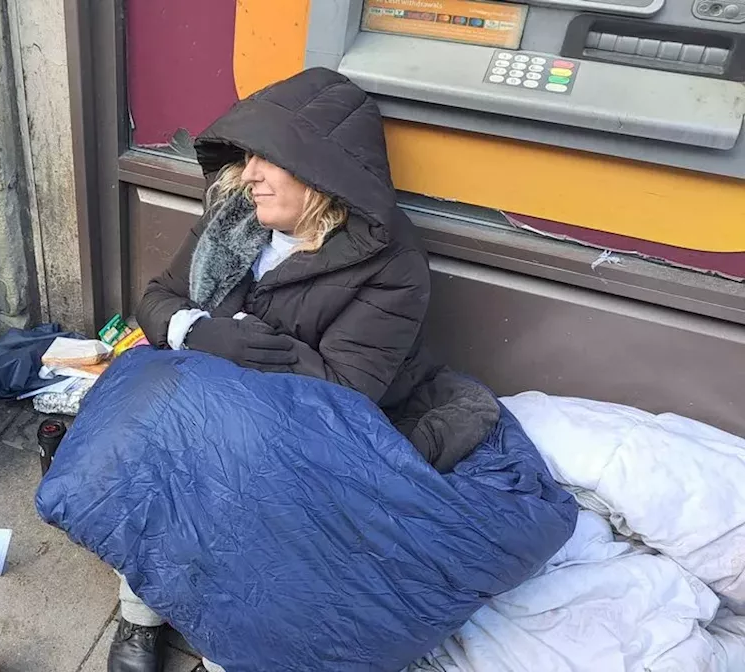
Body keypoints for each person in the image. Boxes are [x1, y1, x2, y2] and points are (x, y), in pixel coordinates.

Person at [108, 68, 501, 672]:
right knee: (145, 445)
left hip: (311, 432)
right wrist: (199, 331)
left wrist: (238, 349)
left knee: (234, 485)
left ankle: (224, 641)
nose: (250, 174)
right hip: (220, 400)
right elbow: (158, 297)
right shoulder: (236, 220)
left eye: (270, 160)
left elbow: (342, 397)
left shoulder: (389, 266)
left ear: (322, 176)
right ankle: (141, 615)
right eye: (249, 156)